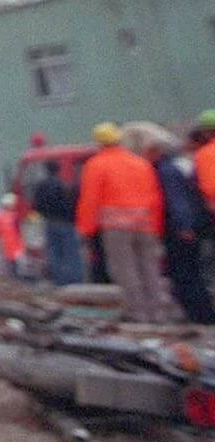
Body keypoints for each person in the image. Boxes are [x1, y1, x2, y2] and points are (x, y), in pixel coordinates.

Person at [75, 122, 173, 324]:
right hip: (145, 224)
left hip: (117, 227)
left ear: (99, 143)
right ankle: (157, 313)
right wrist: (156, 226)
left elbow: (91, 199)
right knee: (149, 268)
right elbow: (155, 197)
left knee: (125, 270)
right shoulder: (140, 163)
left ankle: (137, 314)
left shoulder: (96, 165)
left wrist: (86, 229)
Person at [127, 123, 215, 324]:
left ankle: (201, 315)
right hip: (182, 227)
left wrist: (184, 226)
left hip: (178, 230)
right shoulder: (174, 167)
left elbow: (177, 201)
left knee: (185, 274)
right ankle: (198, 313)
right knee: (187, 273)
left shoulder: (164, 171)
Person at [31, 158, 85, 286]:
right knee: (71, 252)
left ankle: (58, 280)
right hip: (66, 223)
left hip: (49, 222)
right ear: (58, 170)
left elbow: (36, 205)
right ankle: (75, 280)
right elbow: (70, 204)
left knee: (54, 252)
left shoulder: (40, 186)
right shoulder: (62, 185)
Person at [0, 192, 25, 280]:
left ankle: (7, 277)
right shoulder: (14, 216)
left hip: (2, 241)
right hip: (13, 240)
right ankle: (15, 276)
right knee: (14, 260)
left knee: (5, 261)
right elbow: (19, 229)